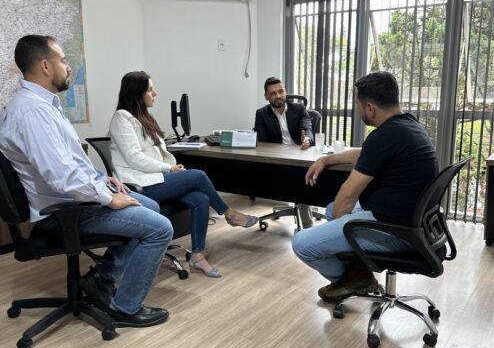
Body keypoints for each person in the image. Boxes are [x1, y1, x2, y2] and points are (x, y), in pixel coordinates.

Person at [0, 35, 173, 327]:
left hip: (74, 199)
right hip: (65, 211)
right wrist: (107, 197)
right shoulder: (33, 112)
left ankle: (101, 279)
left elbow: (66, 164)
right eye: (63, 60)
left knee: (151, 207)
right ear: (45, 65)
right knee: (160, 229)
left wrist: (101, 178)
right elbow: (60, 177)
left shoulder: (42, 105)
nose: (68, 67)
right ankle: (126, 308)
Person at [292, 71, 439, 303]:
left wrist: (341, 227)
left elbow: (348, 194)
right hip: (411, 224)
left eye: (358, 105)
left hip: (395, 231)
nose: (359, 110)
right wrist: (325, 160)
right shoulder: (408, 125)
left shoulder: (385, 135)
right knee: (332, 210)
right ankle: (358, 272)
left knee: (301, 243)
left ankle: (353, 278)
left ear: (370, 108)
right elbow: (366, 154)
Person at [108, 71, 259, 278]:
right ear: (137, 92)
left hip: (156, 179)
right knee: (198, 176)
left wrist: (172, 167)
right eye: (150, 90)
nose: (155, 93)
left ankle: (197, 256)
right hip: (139, 186)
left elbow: (156, 153)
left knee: (200, 198)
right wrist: (168, 169)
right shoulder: (122, 118)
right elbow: (135, 158)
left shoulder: (144, 118)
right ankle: (229, 213)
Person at [254, 76, 315, 228]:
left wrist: (306, 138)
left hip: (300, 155)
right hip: (278, 159)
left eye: (281, 91)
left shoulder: (299, 109)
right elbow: (261, 140)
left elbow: (307, 127)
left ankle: (307, 225)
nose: (278, 96)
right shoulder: (261, 113)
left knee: (301, 179)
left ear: (285, 92)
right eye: (273, 93)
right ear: (266, 96)